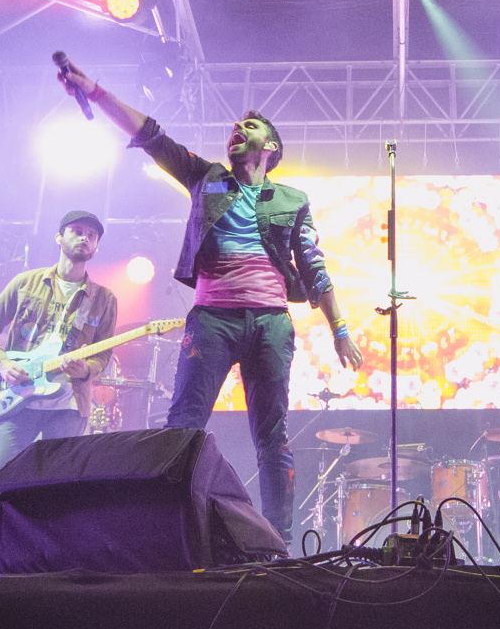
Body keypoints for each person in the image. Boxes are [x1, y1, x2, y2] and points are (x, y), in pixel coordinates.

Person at [54, 61, 366, 548]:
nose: (238, 129)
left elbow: (313, 266)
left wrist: (341, 328)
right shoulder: (208, 179)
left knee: (272, 435)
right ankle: (169, 533)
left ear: (271, 149)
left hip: (270, 324)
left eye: (251, 126)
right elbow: (153, 137)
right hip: (212, 321)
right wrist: (95, 92)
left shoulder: (292, 199)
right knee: (184, 425)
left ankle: (277, 543)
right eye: (236, 126)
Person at [0, 209, 120, 572]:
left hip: (67, 407)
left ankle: (49, 572)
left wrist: (88, 370)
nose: (85, 238)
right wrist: (2, 363)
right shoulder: (25, 283)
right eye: (77, 232)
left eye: (92, 235)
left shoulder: (104, 298)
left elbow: (105, 352)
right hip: (17, 403)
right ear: (59, 238)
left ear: (97, 246)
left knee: (59, 491)